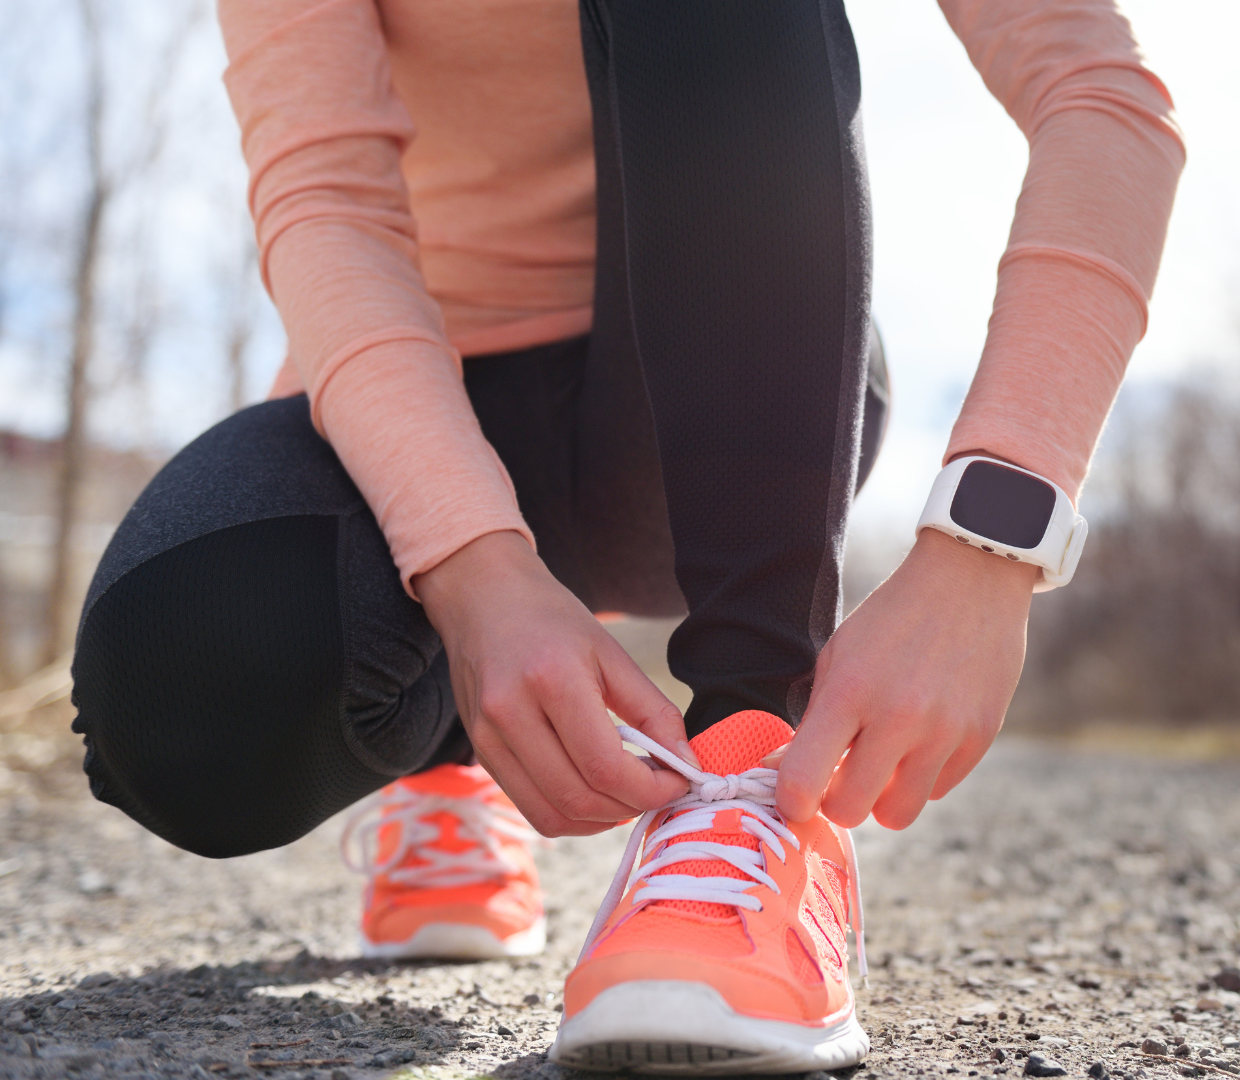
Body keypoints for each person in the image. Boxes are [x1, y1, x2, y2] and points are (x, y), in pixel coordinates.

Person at [68, 0, 1182, 1072]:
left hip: (699, 408)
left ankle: (752, 772)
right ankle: (462, 743)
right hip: (420, 406)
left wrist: (985, 548)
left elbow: (1101, 93)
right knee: (182, 690)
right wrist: (473, 570)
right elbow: (326, 202)